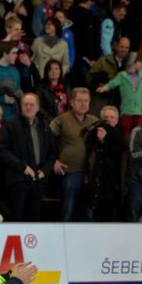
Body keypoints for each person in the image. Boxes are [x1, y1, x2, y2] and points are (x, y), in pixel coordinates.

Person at [0, 92, 56, 221]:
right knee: (17, 218)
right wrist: (23, 167)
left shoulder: (45, 126)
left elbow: (52, 153)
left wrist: (44, 171)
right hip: (17, 180)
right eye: (25, 104)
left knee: (34, 220)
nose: (28, 107)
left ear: (38, 107)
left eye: (31, 104)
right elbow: (2, 151)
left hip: (38, 181)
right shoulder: (11, 124)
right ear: (21, 106)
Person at [50, 87, 98, 221]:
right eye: (80, 101)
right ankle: (64, 241)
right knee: (68, 211)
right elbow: (46, 141)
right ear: (71, 102)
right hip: (70, 172)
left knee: (88, 213)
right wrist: (54, 160)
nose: (83, 104)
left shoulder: (94, 121)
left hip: (90, 173)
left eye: (86, 101)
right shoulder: (61, 120)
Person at [83, 104, 128, 221]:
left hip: (114, 184)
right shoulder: (95, 133)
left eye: (112, 117)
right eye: (106, 117)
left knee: (111, 216)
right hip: (97, 181)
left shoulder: (120, 135)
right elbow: (87, 141)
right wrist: (100, 139)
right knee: (97, 216)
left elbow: (121, 146)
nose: (108, 120)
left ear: (117, 120)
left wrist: (104, 138)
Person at [96, 52, 142, 138]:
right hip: (126, 112)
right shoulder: (122, 75)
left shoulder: (141, 74)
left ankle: (133, 151)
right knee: (124, 134)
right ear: (132, 62)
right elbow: (113, 83)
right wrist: (104, 88)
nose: (141, 63)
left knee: (137, 135)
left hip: (138, 112)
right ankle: (125, 150)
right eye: (139, 61)